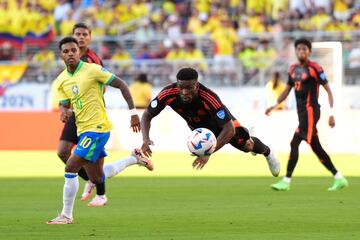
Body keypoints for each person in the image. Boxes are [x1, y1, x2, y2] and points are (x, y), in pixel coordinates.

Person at [47, 37, 153, 224]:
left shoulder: (93, 70)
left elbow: (121, 84)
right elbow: (64, 104)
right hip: (83, 129)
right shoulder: (61, 80)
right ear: (61, 55)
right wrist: (64, 112)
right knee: (97, 177)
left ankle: (66, 215)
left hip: (97, 128)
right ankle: (134, 158)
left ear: (79, 52)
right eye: (66, 51)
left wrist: (133, 113)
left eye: (73, 50)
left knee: (70, 166)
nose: (70, 53)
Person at [140, 67, 280, 175]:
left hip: (221, 125)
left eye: (189, 88)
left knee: (247, 146)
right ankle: (246, 132)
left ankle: (268, 152)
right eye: (181, 87)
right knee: (243, 144)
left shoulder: (209, 97)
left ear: (197, 85)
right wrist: (145, 139)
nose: (184, 92)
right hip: (199, 128)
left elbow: (229, 129)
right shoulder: (168, 93)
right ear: (177, 84)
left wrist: (208, 154)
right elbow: (147, 115)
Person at [265, 38, 348, 191]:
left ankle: (286, 181)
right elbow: (286, 91)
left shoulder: (315, 68)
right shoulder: (293, 69)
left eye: (304, 49)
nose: (302, 52)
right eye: (299, 49)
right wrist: (273, 106)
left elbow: (328, 90)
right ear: (296, 51)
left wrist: (331, 113)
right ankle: (339, 177)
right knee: (316, 147)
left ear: (309, 52)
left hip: (311, 111)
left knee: (295, 142)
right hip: (302, 112)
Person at [56, 23, 105, 206]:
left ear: (90, 37)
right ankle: (92, 182)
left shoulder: (93, 60)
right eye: (78, 34)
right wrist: (64, 109)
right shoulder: (68, 58)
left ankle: (100, 192)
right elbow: (65, 89)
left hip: (92, 115)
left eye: (85, 34)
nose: (82, 37)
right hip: (75, 113)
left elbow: (103, 88)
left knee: (93, 162)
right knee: (62, 152)